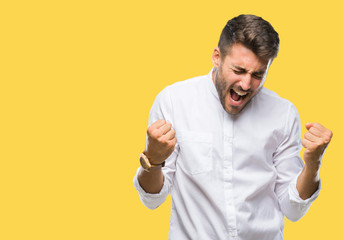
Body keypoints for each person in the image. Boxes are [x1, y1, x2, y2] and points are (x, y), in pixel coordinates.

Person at [133, 14, 333, 239]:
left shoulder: (283, 114)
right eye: (238, 71)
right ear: (217, 57)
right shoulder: (174, 101)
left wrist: (313, 163)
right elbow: (152, 199)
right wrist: (154, 159)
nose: (246, 84)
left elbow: (293, 209)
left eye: (258, 74)